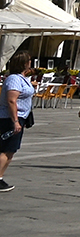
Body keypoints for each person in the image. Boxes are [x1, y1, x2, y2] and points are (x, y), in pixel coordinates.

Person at [1, 51, 36, 192]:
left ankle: (0, 177)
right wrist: (15, 121)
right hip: (9, 117)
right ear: (24, 63)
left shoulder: (21, 78)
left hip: (20, 116)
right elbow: (11, 100)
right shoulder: (14, 79)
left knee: (11, 150)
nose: (30, 63)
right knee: (6, 149)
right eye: (29, 60)